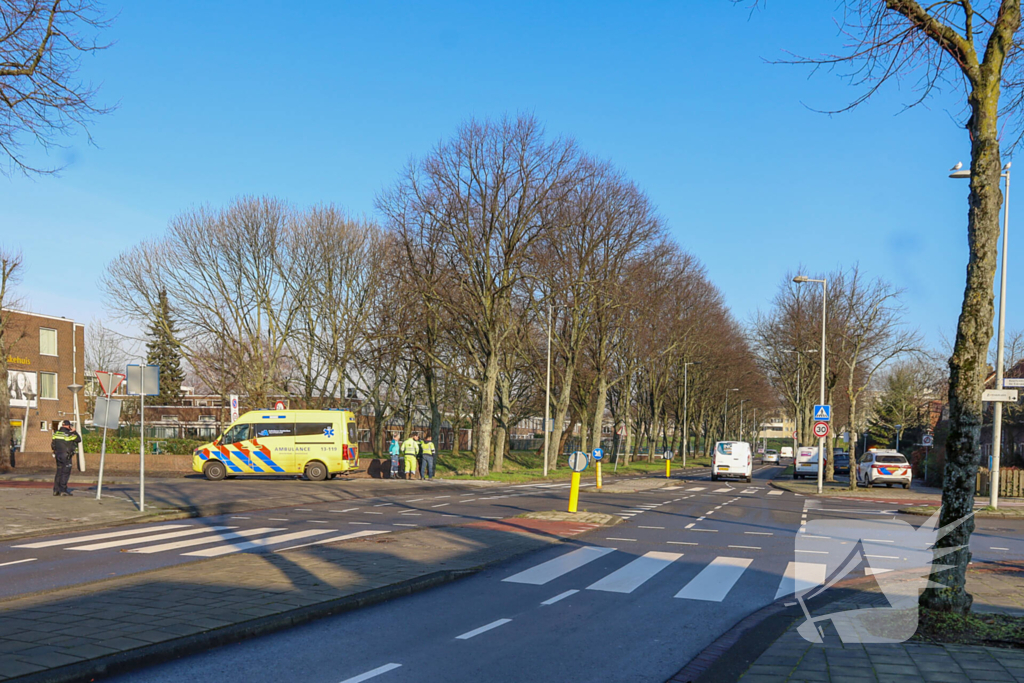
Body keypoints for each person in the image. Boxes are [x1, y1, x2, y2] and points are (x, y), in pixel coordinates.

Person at [51, 420, 81, 497]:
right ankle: (63, 490)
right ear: (68, 426)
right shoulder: (69, 434)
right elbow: (78, 439)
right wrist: (74, 431)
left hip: (58, 455)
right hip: (66, 456)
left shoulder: (56, 433)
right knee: (65, 473)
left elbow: (53, 445)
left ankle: (56, 490)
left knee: (59, 472)